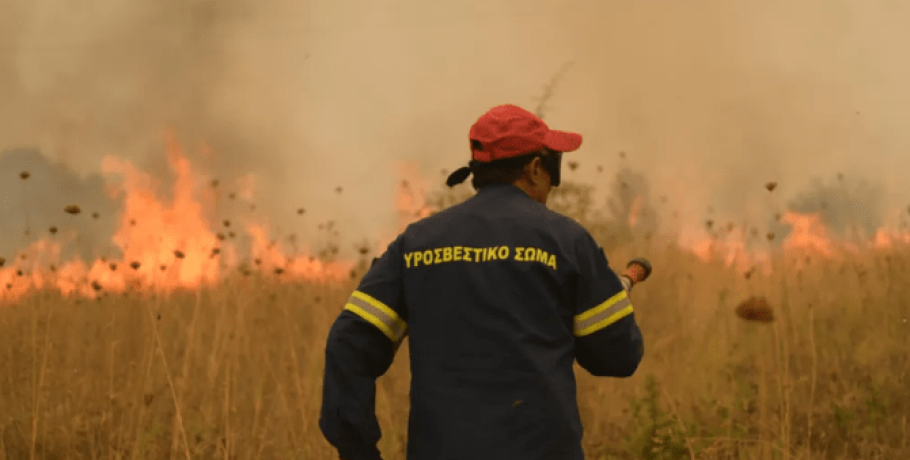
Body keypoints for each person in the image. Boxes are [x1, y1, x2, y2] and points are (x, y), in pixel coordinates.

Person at [320, 104, 646, 460]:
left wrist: (358, 450)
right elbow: (617, 358)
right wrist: (609, 299)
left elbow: (349, 344)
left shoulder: (417, 244)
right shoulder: (567, 241)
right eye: (554, 165)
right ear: (535, 168)